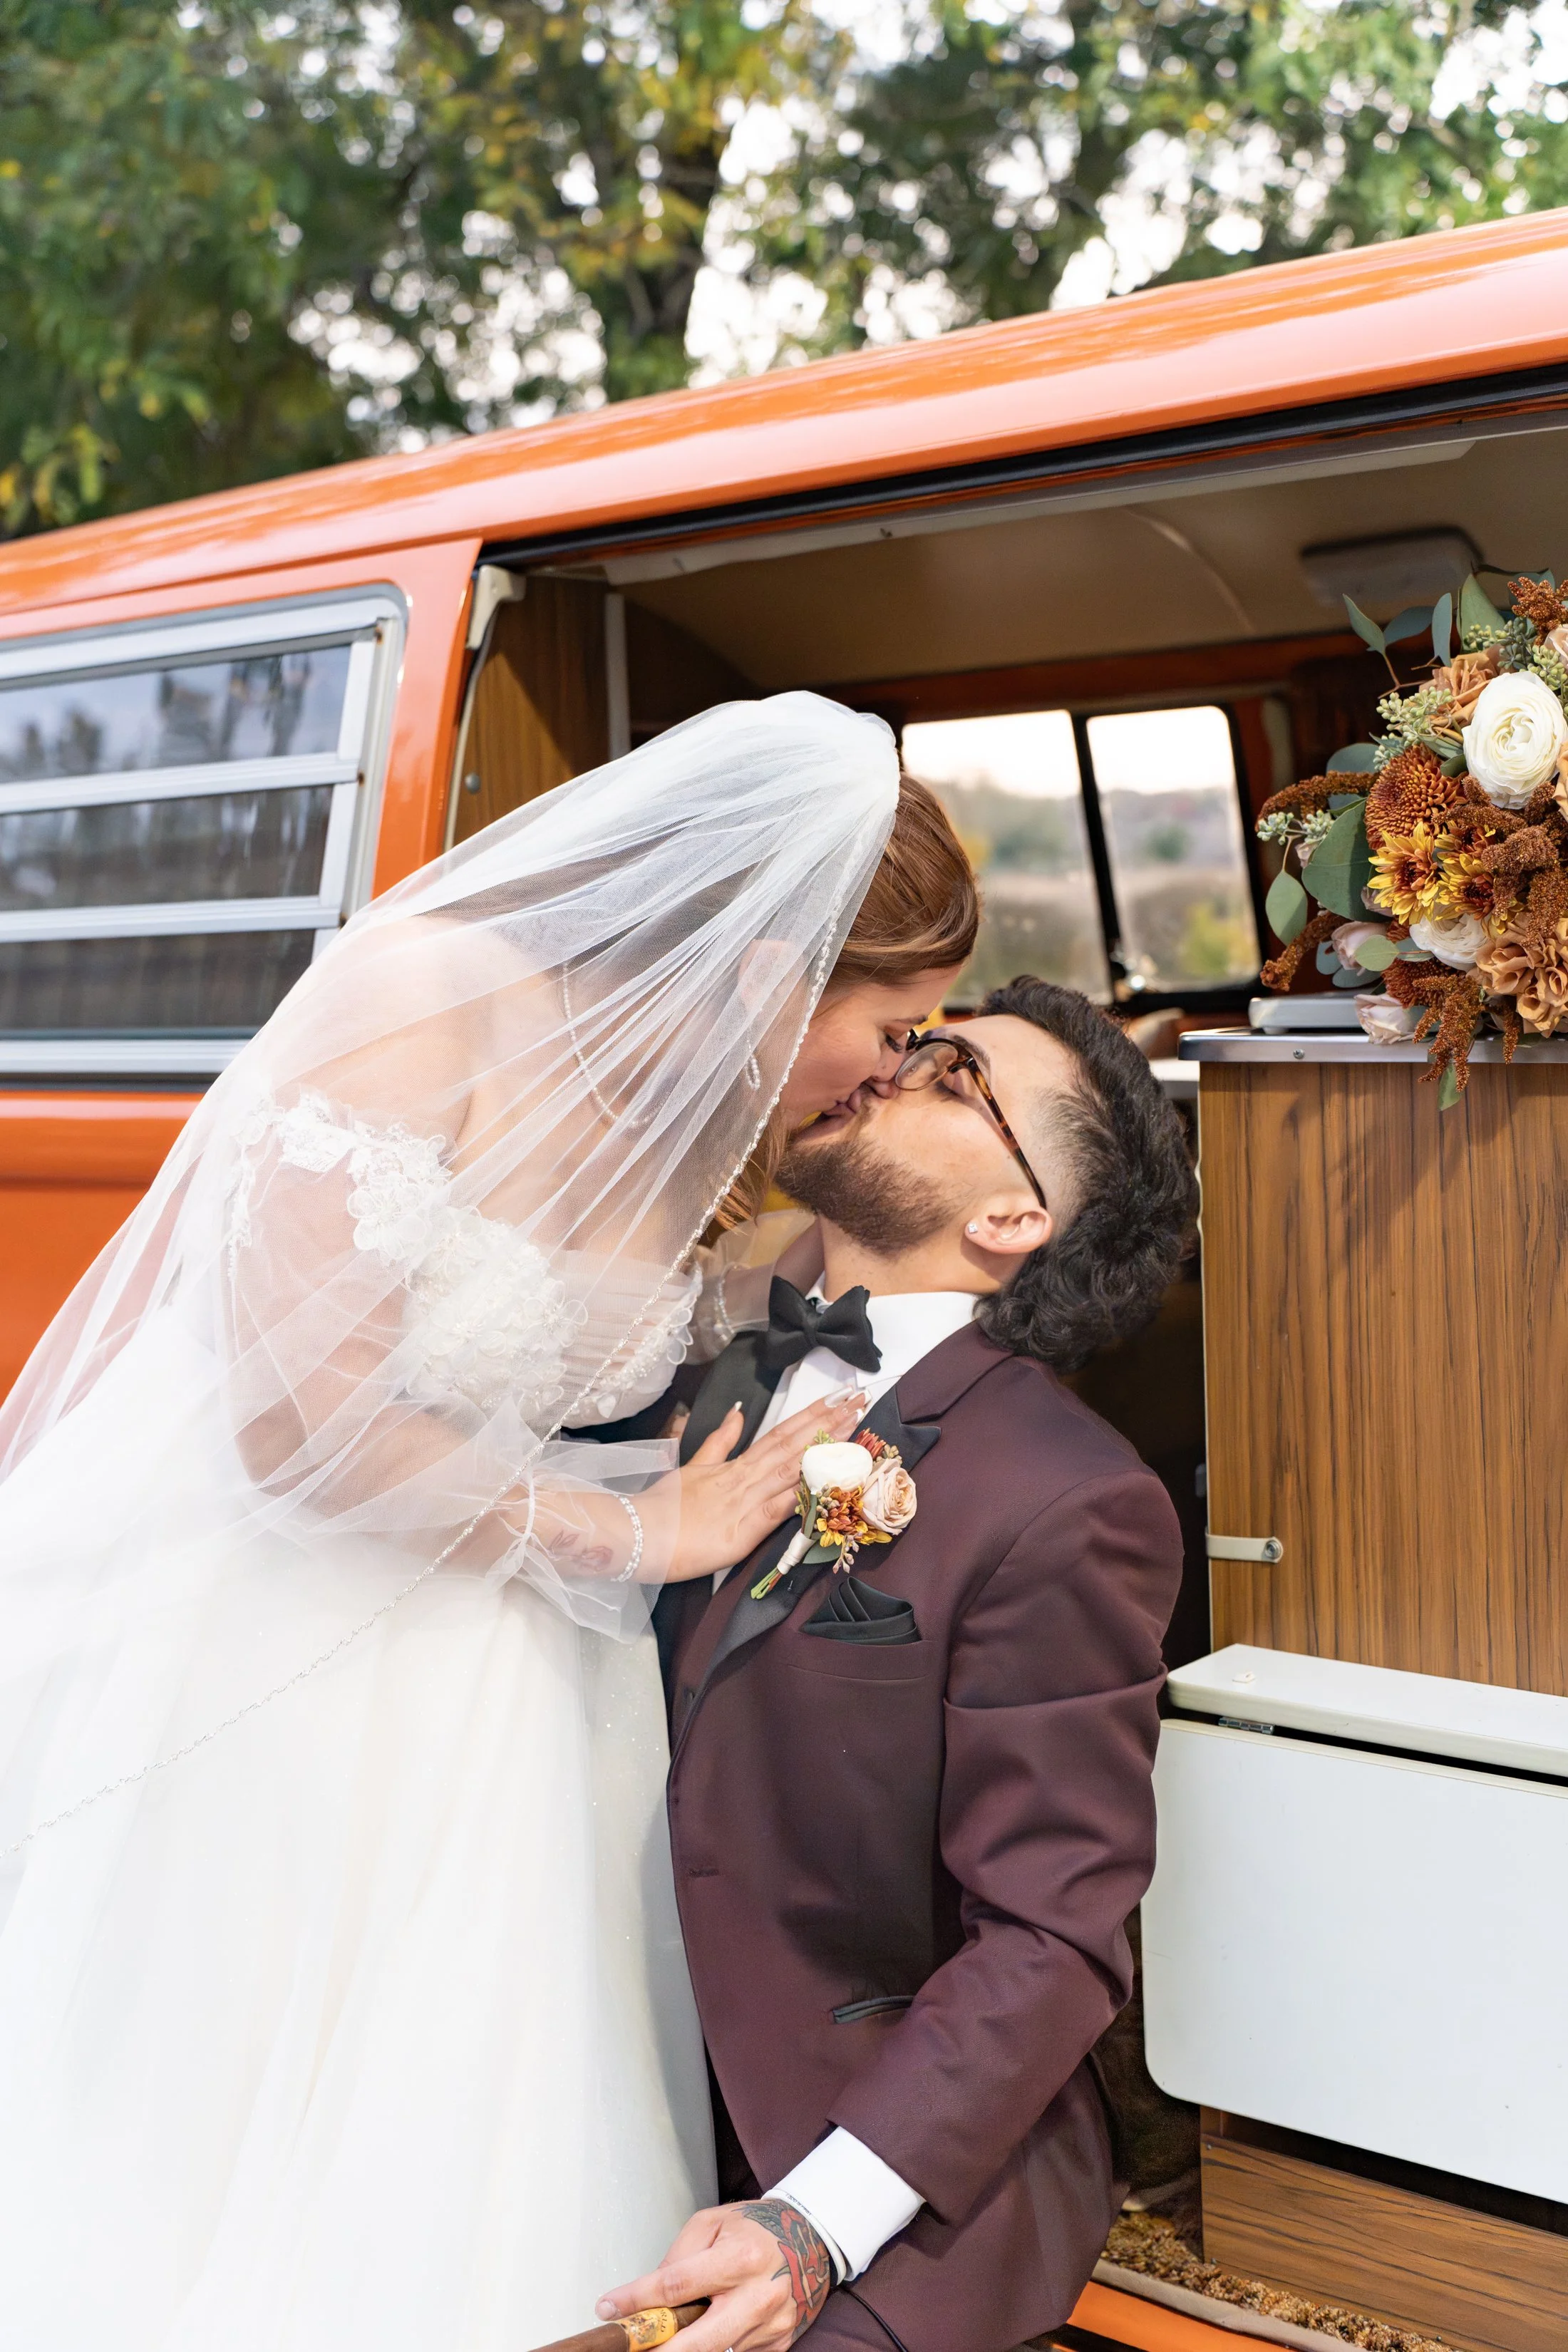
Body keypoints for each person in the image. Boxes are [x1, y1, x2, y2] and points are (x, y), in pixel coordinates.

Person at [0, 693, 975, 2352]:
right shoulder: (422, 1001)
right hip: (265, 1616)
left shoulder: (702, 1109)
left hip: (506, 1647)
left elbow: (631, 1344)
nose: (889, 1070)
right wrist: (640, 1535)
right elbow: (293, 1417)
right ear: (772, 966)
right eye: (890, 1029)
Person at [597, 978, 1199, 2352]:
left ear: (1013, 1218)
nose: (891, 1063)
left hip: (848, 2156)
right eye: (913, 1039)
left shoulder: (1065, 1500)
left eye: (952, 1076)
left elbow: (1052, 1933)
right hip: (592, 2059)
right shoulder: (681, 1356)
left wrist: (816, 2223)